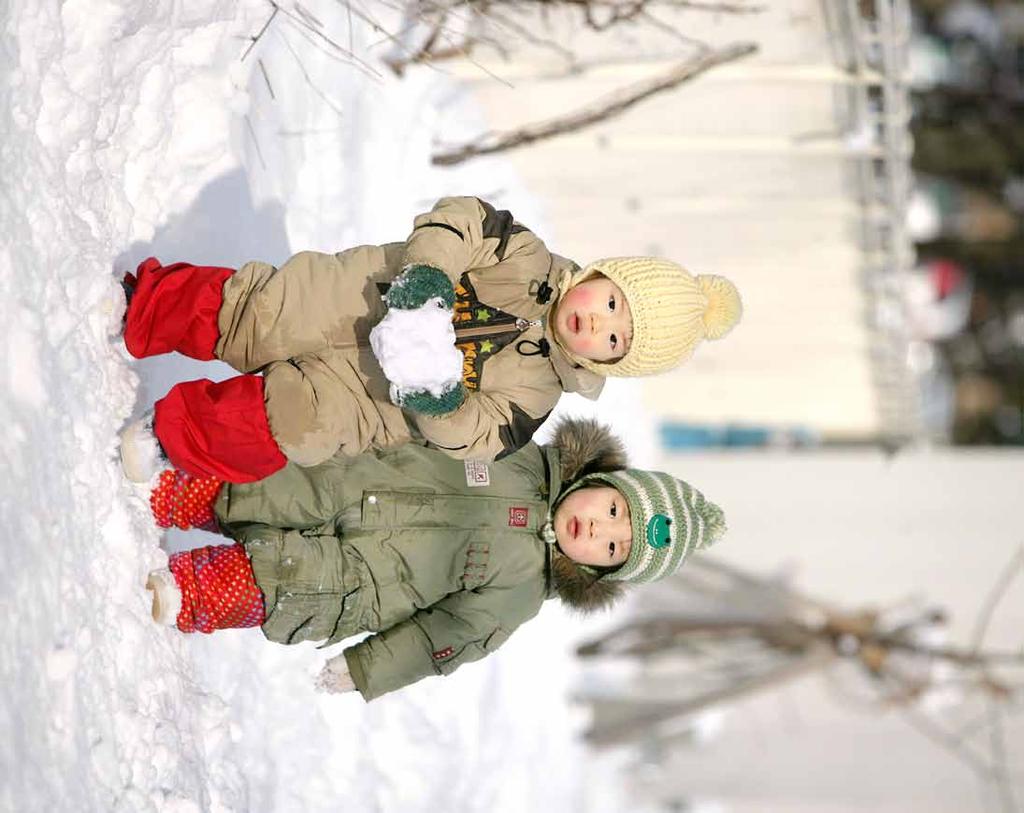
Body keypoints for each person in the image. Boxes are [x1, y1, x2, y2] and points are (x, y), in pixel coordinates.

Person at [120, 196, 742, 484]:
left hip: (370, 399)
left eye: (617, 338)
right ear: (601, 274)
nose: (600, 322)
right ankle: (143, 308)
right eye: (612, 302)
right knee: (253, 312)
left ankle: (169, 439)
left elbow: (473, 441)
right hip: (354, 296)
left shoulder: (534, 398)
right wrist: (427, 278)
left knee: (289, 425)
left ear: (613, 363)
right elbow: (461, 220)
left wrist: (440, 395)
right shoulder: (525, 256)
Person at [144, 419, 726, 701]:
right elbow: (442, 420)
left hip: (347, 582)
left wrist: (370, 668)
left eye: (612, 548)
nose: (598, 529)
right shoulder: (515, 447)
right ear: (601, 479)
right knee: (247, 486)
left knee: (258, 584)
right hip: (339, 481)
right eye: (614, 510)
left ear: (600, 571)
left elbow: (442, 638)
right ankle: (161, 487)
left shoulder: (519, 593)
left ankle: (176, 595)